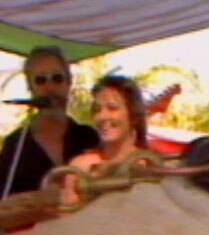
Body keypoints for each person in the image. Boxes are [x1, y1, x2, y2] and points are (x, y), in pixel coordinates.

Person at [0, 46, 99, 202]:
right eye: (40, 80)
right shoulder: (16, 145)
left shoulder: (88, 137)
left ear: (69, 83)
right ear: (30, 88)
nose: (50, 88)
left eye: (57, 78)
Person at [62, 74, 148, 206]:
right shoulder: (79, 167)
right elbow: (69, 214)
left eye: (112, 108)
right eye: (97, 109)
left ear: (134, 114)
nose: (102, 116)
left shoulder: (149, 165)